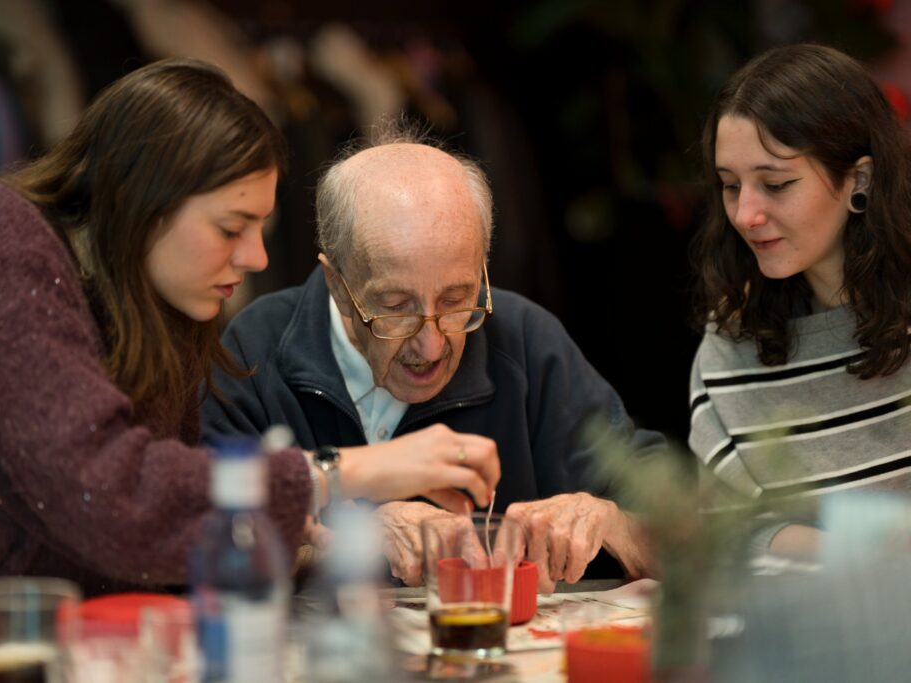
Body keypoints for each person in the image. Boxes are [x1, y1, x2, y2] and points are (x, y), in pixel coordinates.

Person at [0, 59, 499, 648]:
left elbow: (175, 531)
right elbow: (110, 493)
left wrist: (332, 540)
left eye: (261, 227)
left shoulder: (168, 306)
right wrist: (353, 473)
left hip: (95, 653)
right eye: (231, 228)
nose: (257, 257)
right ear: (142, 201)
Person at [202, 121, 663, 592]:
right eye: (396, 308)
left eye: (456, 299)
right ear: (338, 287)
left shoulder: (525, 342)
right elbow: (199, 546)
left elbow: (697, 530)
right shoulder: (254, 350)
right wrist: (346, 542)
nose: (433, 345)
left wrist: (613, 522)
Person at [688, 43, 911, 559]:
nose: (745, 214)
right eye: (730, 186)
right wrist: (866, 550)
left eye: (776, 184)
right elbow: (727, 536)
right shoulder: (731, 345)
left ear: (859, 179)